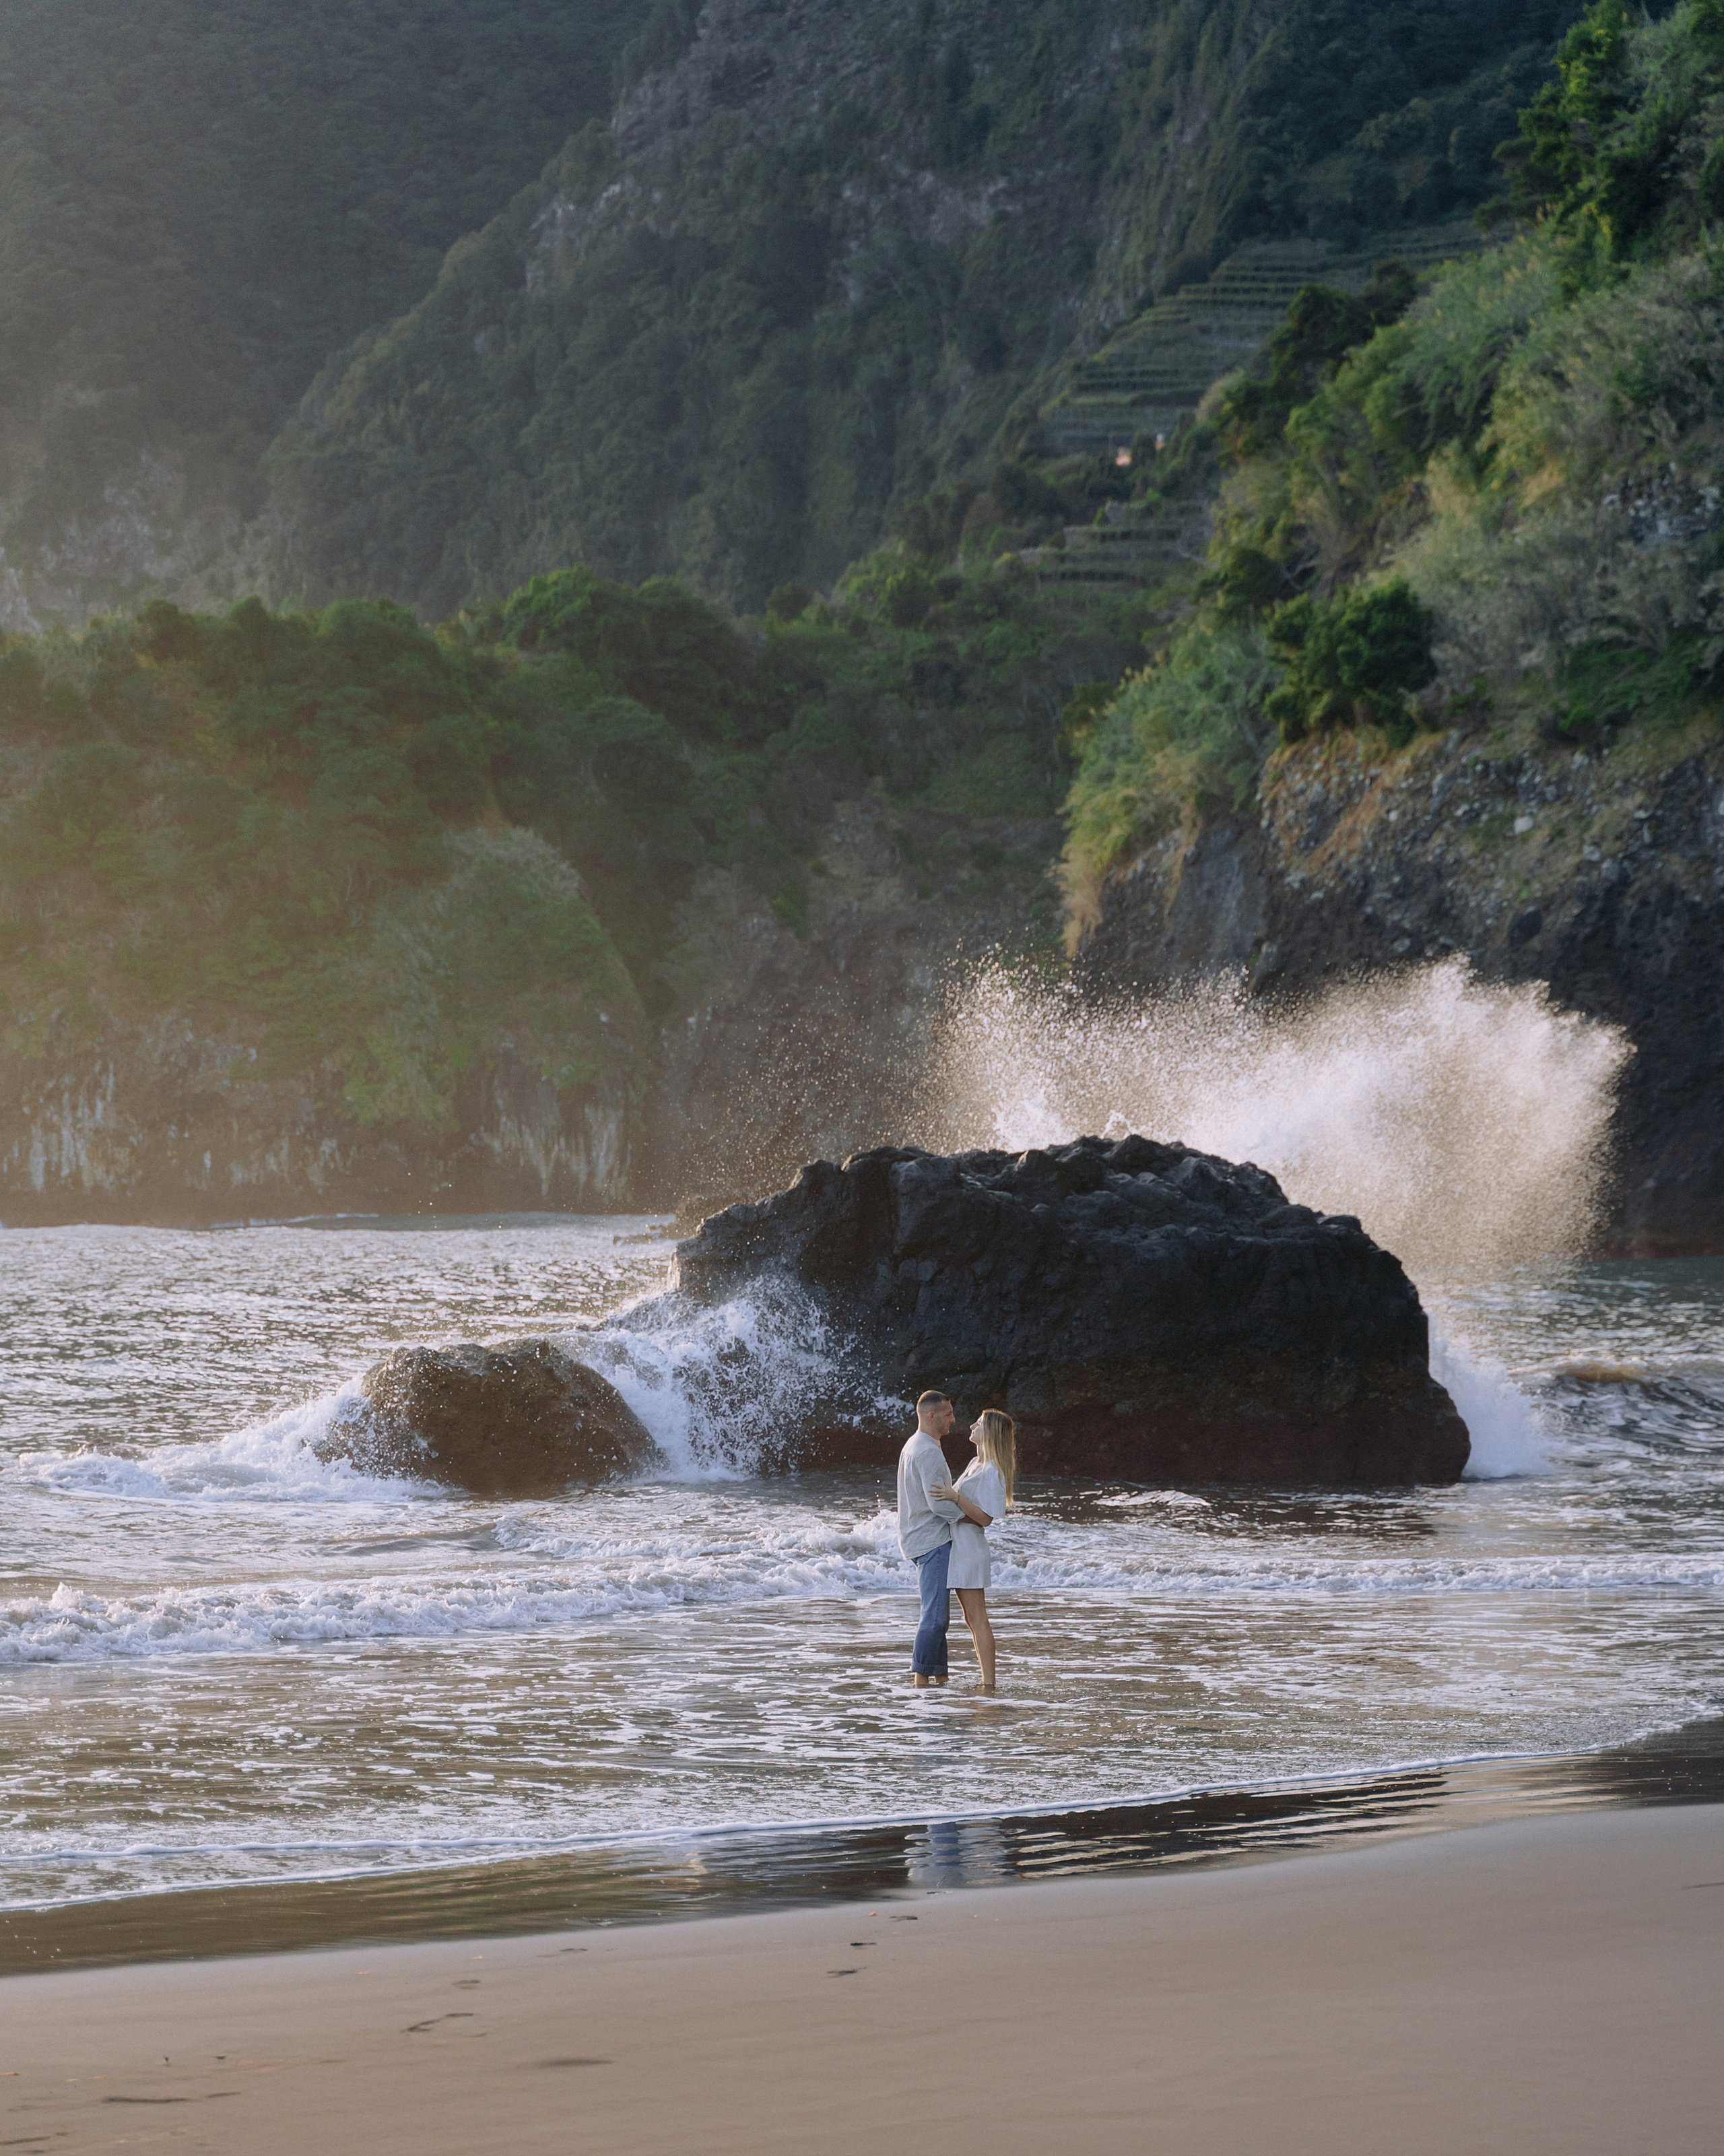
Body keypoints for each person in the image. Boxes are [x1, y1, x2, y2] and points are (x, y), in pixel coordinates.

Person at [931, 1409, 1015, 1691]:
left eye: (978, 1423)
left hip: (970, 1547)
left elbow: (986, 1518)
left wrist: (955, 1497)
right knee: (971, 1618)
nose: (971, 1425)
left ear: (989, 1432)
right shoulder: (976, 1462)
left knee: (978, 1618)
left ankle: (989, 1683)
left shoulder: (992, 1470)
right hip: (961, 1545)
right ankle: (986, 1679)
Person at [896, 1390, 962, 1687]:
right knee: (935, 1616)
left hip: (917, 1537)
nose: (954, 1419)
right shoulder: (928, 1450)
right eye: (948, 1414)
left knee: (938, 1615)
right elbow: (938, 1503)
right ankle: (920, 1680)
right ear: (931, 1415)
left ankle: (941, 1679)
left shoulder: (915, 1444)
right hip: (931, 1540)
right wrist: (971, 1515)